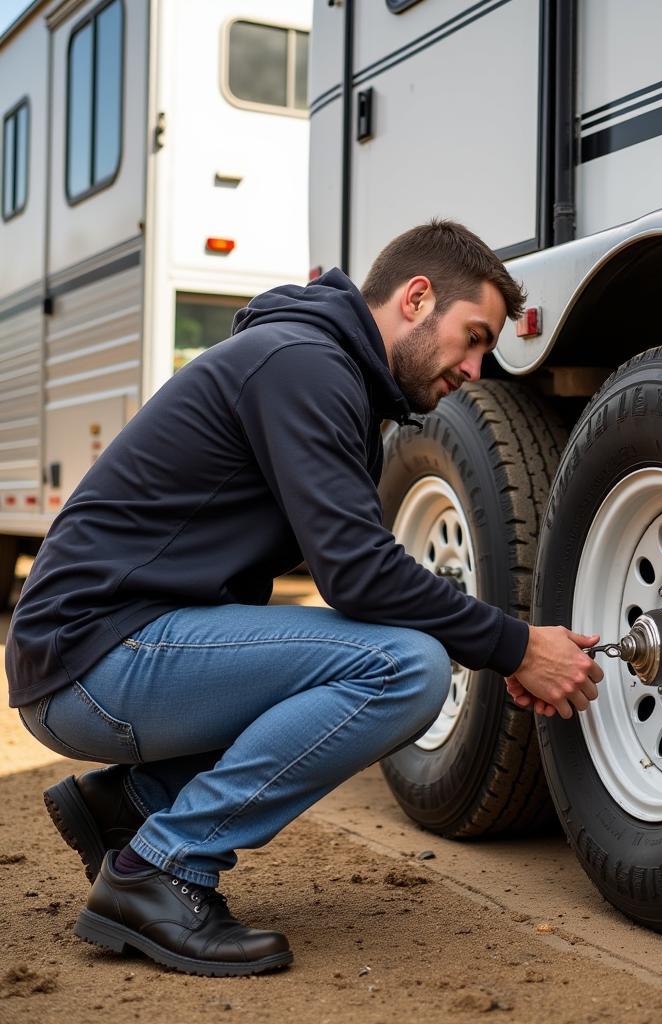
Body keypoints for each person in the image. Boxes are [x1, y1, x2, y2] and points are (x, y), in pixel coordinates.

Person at [5, 220, 603, 977]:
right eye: (475, 337)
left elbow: (350, 577)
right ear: (417, 299)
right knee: (405, 670)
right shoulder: (304, 365)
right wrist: (515, 647)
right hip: (93, 656)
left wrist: (500, 646)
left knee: (361, 655)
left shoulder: (326, 374)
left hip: (103, 650)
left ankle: (133, 804)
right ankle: (161, 866)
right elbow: (358, 573)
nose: (478, 370)